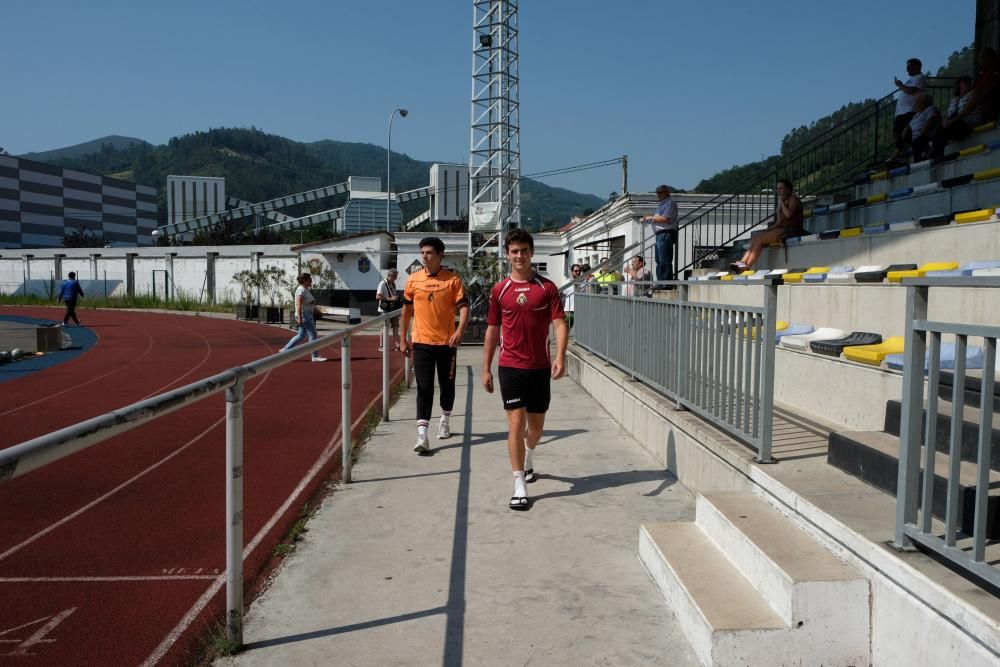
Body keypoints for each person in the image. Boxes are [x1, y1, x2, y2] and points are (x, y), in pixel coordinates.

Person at [482, 229, 568, 511]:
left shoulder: (547, 288)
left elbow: (559, 323)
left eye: (524, 250)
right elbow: (492, 330)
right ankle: (519, 483)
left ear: (532, 253)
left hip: (539, 367)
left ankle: (529, 455)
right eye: (514, 251)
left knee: (536, 428)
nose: (519, 256)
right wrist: (486, 368)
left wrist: (560, 356)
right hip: (510, 367)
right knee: (515, 424)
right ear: (507, 254)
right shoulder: (499, 291)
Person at [400, 237, 469, 453]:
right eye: (422, 252)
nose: (424, 256)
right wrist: (403, 338)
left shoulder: (452, 280)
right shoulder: (413, 280)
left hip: (446, 344)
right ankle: (422, 436)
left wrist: (459, 331)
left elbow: (464, 308)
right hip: (421, 343)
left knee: (447, 386)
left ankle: (445, 419)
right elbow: (406, 311)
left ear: (440, 255)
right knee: (424, 387)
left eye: (429, 252)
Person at [931, 48, 1000, 157]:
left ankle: (937, 158)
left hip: (969, 121)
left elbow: (969, 108)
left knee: (943, 132)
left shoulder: (977, 89)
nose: (979, 60)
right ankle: (933, 156)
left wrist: (952, 120)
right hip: (961, 120)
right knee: (937, 132)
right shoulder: (979, 77)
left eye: (982, 56)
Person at [730, 179, 803, 272]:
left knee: (760, 240)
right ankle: (743, 262)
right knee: (756, 238)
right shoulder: (782, 202)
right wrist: (768, 229)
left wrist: (782, 205)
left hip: (792, 230)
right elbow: (779, 222)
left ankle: (746, 266)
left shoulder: (793, 199)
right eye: (777, 189)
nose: (778, 191)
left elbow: (789, 215)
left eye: (781, 188)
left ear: (788, 190)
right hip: (782, 229)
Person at [281, 273, 327, 362]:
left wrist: (316, 310)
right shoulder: (301, 290)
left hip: (307, 315)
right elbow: (298, 305)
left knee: (301, 335)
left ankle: (285, 350)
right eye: (310, 280)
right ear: (305, 280)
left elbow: (309, 303)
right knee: (313, 334)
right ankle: (315, 356)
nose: (311, 281)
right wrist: (300, 318)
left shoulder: (305, 290)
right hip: (304, 315)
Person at [640, 185, 679, 288]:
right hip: (660, 234)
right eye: (657, 193)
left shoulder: (670, 203)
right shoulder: (662, 204)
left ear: (666, 192)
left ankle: (666, 283)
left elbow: (666, 218)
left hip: (666, 233)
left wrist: (650, 217)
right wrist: (649, 219)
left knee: (664, 259)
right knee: (659, 260)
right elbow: (659, 218)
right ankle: (661, 282)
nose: (658, 195)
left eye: (660, 192)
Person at [892, 93, 939, 161]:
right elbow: (909, 125)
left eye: (918, 102)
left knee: (917, 142)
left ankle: (920, 158)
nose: (916, 103)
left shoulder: (930, 109)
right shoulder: (916, 115)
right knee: (900, 132)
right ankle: (898, 153)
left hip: (924, 135)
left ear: (925, 103)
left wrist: (922, 133)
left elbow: (930, 121)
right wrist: (906, 129)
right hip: (915, 137)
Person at [893, 58, 927, 150]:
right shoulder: (912, 79)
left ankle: (920, 150)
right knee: (899, 135)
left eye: (908, 67)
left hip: (910, 110)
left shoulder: (920, 77)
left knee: (909, 133)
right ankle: (900, 153)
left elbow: (910, 91)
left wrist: (900, 85)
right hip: (901, 112)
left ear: (915, 66)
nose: (906, 69)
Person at [376, 268, 401, 352]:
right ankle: (382, 346)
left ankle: (397, 345)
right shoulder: (382, 283)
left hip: (392, 309)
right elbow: (378, 296)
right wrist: (390, 299)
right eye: (395, 276)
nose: (396, 278)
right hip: (385, 310)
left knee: (396, 327)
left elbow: (392, 296)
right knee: (384, 328)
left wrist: (395, 298)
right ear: (391, 275)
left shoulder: (393, 284)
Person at [563, 263, 584, 328]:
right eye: (576, 271)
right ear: (572, 272)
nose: (578, 272)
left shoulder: (584, 282)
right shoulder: (567, 282)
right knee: (567, 328)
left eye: (579, 271)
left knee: (581, 329)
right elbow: (564, 295)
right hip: (569, 309)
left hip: (581, 309)